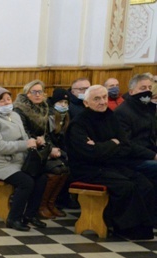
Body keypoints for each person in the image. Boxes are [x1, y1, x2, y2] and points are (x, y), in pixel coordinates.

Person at [66, 85, 156, 241]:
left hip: (112, 165)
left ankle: (143, 226)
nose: (102, 102)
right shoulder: (79, 124)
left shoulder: (111, 117)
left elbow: (126, 146)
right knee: (125, 187)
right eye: (97, 98)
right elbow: (89, 154)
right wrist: (112, 144)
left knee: (144, 183)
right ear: (86, 103)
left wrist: (102, 147)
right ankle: (122, 227)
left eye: (104, 97)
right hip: (88, 170)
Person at [0, 87, 48, 232]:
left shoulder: (15, 115)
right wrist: (24, 145)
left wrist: (35, 141)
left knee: (41, 177)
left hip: (16, 160)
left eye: (8, 99)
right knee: (26, 182)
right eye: (1, 100)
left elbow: (23, 137)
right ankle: (14, 218)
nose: (6, 103)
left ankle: (30, 215)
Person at [13, 80, 69, 219]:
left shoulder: (43, 108)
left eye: (41, 92)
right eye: (34, 92)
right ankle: (40, 206)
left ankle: (50, 203)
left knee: (65, 168)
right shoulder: (19, 110)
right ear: (27, 93)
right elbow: (24, 134)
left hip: (42, 147)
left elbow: (45, 134)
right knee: (55, 170)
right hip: (28, 150)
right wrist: (47, 149)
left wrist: (52, 148)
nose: (38, 95)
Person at [114, 73, 157, 168]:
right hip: (132, 159)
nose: (147, 91)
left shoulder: (147, 108)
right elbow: (127, 143)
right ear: (131, 92)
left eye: (149, 88)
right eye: (143, 88)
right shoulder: (122, 112)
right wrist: (153, 155)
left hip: (149, 152)